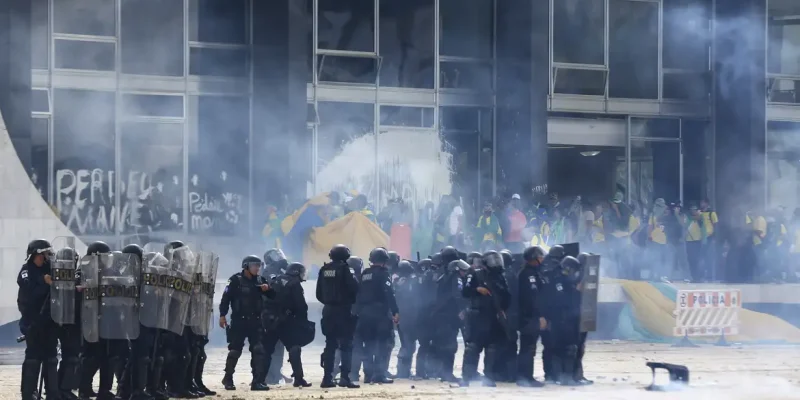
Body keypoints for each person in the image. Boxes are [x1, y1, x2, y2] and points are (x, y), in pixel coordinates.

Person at [219, 255, 272, 391]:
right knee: (235, 350)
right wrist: (222, 315)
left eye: (259, 265)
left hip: (256, 321)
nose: (257, 268)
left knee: (258, 350)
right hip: (239, 321)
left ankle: (257, 381)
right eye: (254, 265)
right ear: (246, 266)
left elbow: (273, 296)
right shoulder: (235, 280)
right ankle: (228, 378)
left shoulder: (261, 280)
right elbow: (226, 298)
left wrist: (268, 289)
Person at [460, 251, 511, 387]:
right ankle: (467, 377)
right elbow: (465, 291)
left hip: (493, 316)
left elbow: (506, 295)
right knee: (473, 348)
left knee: (492, 348)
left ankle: (488, 377)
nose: (496, 263)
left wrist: (503, 310)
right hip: (478, 316)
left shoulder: (500, 277)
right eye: (493, 260)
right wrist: (477, 289)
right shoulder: (475, 273)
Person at [18, 239, 60, 400]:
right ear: (36, 254)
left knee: (50, 357)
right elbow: (30, 293)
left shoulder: (49, 268)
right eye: (44, 253)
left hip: (49, 321)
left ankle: (52, 392)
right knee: (33, 358)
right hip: (33, 322)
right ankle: (29, 393)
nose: (47, 256)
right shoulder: (26, 271)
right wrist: (45, 283)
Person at [260, 262, 313, 388]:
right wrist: (301, 321)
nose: (302, 275)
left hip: (271, 321)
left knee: (267, 351)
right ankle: (299, 379)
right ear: (295, 272)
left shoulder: (276, 279)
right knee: (294, 348)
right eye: (301, 272)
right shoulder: (294, 284)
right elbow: (301, 306)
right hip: (286, 322)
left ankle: (260, 379)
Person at [316, 245, 360, 389]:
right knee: (346, 345)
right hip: (344, 310)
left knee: (330, 345)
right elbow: (355, 288)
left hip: (328, 310)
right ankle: (345, 378)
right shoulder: (346, 269)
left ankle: (327, 378)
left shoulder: (324, 270)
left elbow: (319, 293)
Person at [355, 248, 399, 384]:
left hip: (364, 314)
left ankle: (368, 375)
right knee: (382, 345)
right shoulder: (384, 274)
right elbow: (388, 293)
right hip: (380, 314)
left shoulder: (364, 274)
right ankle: (379, 375)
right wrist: (395, 311)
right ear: (385, 261)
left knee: (368, 344)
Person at [50, 246, 82, 400]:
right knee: (65, 357)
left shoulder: (75, 278)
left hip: (72, 322)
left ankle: (62, 388)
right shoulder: (54, 278)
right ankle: (59, 389)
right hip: (62, 322)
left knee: (71, 357)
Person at [431, 258, 470, 383]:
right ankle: (447, 374)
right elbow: (457, 294)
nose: (464, 273)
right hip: (448, 317)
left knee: (443, 345)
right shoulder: (455, 277)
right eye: (463, 271)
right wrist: (461, 309)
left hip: (440, 316)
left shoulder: (444, 278)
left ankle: (442, 373)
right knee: (450, 346)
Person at [516, 246, 546, 387]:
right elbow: (532, 299)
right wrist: (539, 316)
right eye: (540, 256)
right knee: (528, 348)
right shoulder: (528, 275)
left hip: (529, 317)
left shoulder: (533, 272)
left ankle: (526, 376)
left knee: (529, 348)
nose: (542, 259)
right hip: (529, 317)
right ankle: (525, 377)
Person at [261, 249, 291, 386]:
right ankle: (270, 375)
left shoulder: (279, 271)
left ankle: (275, 373)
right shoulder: (270, 272)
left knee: (278, 347)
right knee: (273, 347)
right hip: (272, 314)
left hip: (277, 314)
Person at [393, 260, 420, 379]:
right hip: (408, 316)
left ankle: (404, 371)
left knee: (407, 344)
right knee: (408, 345)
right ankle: (403, 372)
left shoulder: (396, 282)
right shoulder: (410, 282)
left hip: (401, 316)